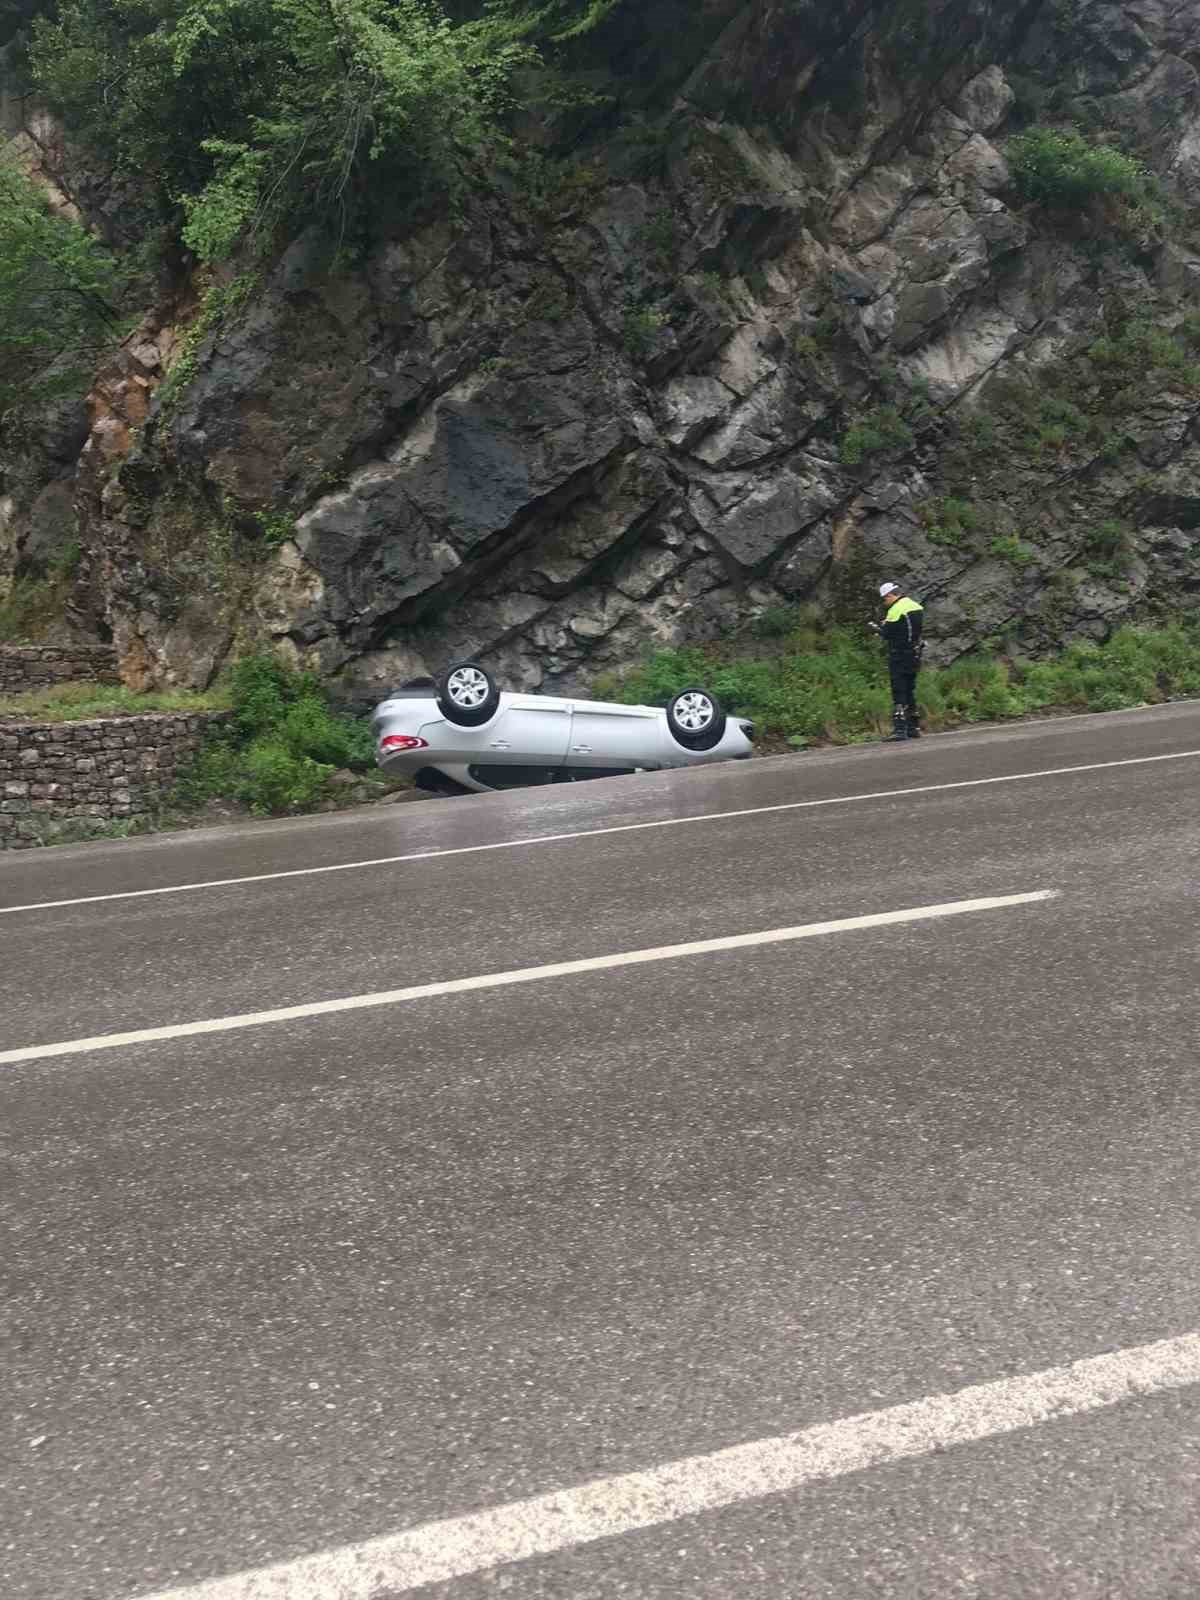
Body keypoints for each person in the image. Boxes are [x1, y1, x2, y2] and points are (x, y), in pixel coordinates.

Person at [870, 581, 925, 742]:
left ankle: (900, 729)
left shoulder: (895, 609)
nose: (884, 602)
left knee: (899, 689)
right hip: (915, 654)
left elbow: (887, 633)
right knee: (910, 689)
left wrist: (878, 628)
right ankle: (914, 727)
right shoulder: (916, 606)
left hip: (899, 654)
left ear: (890, 595)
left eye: (884, 599)